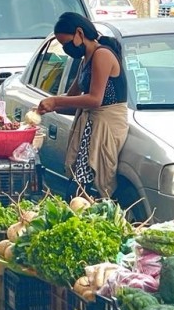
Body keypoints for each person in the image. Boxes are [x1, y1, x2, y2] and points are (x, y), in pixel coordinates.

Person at [37, 12, 128, 198]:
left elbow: (95, 99)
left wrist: (56, 101)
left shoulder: (102, 54)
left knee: (89, 186)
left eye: (67, 44)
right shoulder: (85, 60)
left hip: (105, 125)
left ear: (79, 33)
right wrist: (48, 107)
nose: (66, 49)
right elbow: (72, 98)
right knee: (79, 184)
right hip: (89, 123)